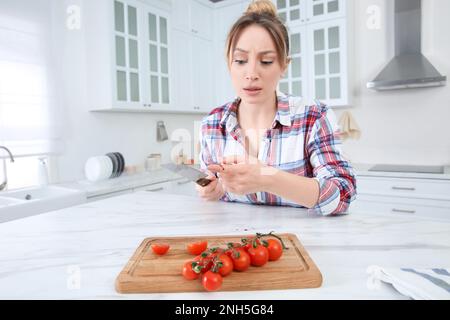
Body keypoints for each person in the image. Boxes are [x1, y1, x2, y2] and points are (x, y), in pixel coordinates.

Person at [196, 0, 356, 216]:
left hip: (301, 243)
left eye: (267, 61)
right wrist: (211, 190)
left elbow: (342, 195)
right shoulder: (212, 124)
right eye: (241, 60)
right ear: (229, 63)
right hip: (238, 245)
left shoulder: (314, 117)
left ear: (284, 65)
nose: (251, 73)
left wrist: (267, 177)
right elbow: (211, 181)